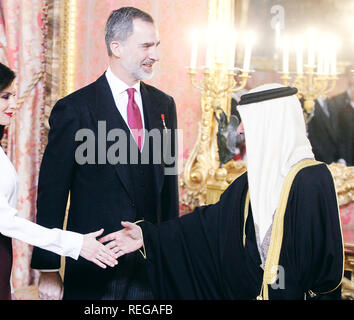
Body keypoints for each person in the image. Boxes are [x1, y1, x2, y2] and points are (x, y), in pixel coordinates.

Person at [101, 84, 344, 300]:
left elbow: (324, 264)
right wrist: (148, 236)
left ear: (269, 123)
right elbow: (207, 226)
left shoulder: (313, 178)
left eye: (246, 121)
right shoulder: (250, 182)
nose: (239, 131)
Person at [30, 7, 179, 300]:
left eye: (156, 45)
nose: (155, 54)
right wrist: (48, 269)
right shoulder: (74, 109)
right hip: (93, 271)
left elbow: (168, 193)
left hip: (150, 272)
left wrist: (168, 257)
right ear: (117, 47)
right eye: (146, 45)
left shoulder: (164, 107)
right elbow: (52, 194)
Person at [0, 58, 117, 300]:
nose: (14, 104)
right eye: (5, 97)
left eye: (14, 95)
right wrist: (75, 243)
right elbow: (7, 221)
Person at [305, 97, 339, 164]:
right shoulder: (308, 103)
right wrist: (328, 160)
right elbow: (312, 137)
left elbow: (337, 132)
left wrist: (341, 158)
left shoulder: (332, 102)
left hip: (336, 159)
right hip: (320, 159)